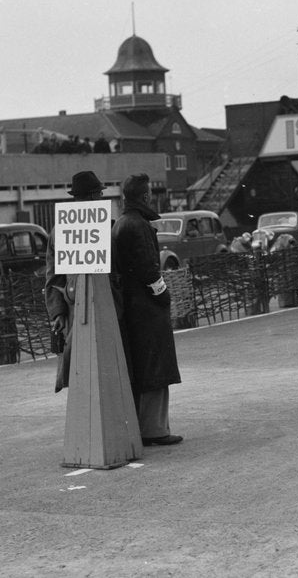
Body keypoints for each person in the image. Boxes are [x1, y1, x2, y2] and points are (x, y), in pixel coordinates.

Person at [112, 172, 183, 447]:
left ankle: (145, 427)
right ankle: (155, 429)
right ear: (144, 196)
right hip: (147, 309)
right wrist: (164, 295)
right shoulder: (138, 225)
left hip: (131, 307)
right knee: (156, 367)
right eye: (150, 192)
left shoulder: (121, 223)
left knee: (142, 368)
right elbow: (149, 269)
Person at [45, 170, 111, 393]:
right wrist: (58, 313)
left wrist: (58, 312)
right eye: (100, 194)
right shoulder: (106, 226)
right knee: (90, 366)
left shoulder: (59, 230)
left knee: (83, 367)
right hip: (94, 306)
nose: (101, 198)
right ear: (93, 196)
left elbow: (52, 277)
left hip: (77, 307)